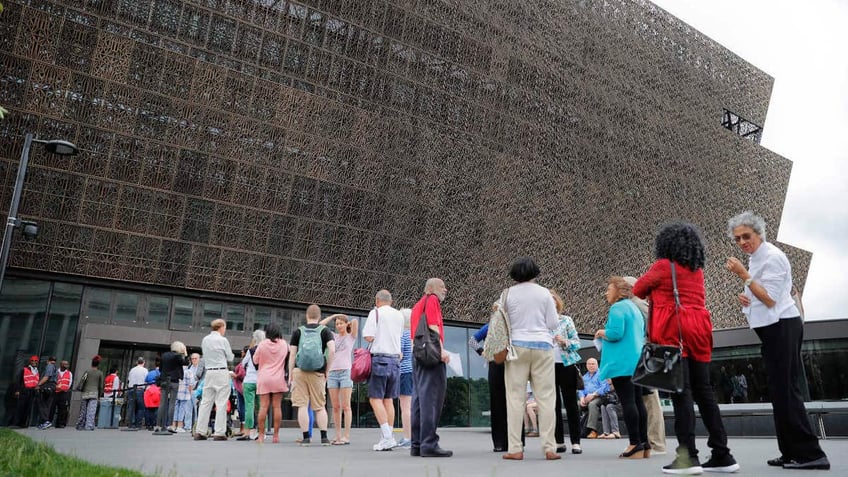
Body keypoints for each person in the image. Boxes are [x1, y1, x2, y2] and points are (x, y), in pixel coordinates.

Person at [725, 211, 830, 470]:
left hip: (783, 327)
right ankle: (791, 451)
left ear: (759, 233)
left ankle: (811, 454)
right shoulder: (755, 259)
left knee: (787, 391)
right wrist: (747, 296)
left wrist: (743, 276)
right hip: (772, 329)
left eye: (746, 236)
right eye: (737, 238)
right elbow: (764, 294)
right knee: (779, 393)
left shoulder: (772, 257)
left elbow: (771, 299)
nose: (741, 242)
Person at [634, 222, 738, 474]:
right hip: (700, 330)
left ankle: (687, 457)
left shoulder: (662, 266)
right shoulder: (696, 269)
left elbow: (638, 289)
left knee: (682, 393)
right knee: (704, 392)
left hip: (674, 332)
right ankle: (722, 454)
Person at [501, 257, 560, 462]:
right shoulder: (544, 293)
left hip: (516, 346)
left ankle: (515, 448)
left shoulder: (507, 294)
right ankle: (549, 447)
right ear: (535, 272)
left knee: (515, 398)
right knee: (546, 398)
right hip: (543, 345)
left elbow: (501, 322)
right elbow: (553, 322)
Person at [595, 276, 647, 459]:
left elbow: (616, 333)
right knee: (638, 401)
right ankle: (644, 443)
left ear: (617, 291)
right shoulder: (634, 308)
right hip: (637, 361)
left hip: (622, 363)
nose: (606, 293)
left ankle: (634, 444)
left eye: (609, 289)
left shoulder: (617, 308)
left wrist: (602, 332)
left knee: (628, 402)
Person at [623, 275, 668, 456]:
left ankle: (656, 444)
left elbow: (652, 329)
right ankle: (650, 443)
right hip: (643, 355)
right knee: (646, 400)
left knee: (650, 400)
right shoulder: (634, 304)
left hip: (644, 355)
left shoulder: (636, 304)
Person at [410, 278, 453, 458]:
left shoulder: (417, 305)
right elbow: (433, 327)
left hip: (418, 354)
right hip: (431, 355)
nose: (445, 290)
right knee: (432, 400)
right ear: (431, 288)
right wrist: (441, 351)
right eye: (442, 286)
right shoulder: (432, 300)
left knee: (419, 400)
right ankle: (429, 443)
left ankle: (417, 444)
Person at [362, 289, 404, 451]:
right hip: (395, 360)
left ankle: (387, 436)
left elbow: (368, 336)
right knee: (389, 400)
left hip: (380, 359)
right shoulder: (399, 315)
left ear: (377, 300)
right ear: (391, 301)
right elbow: (399, 337)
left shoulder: (376, 312)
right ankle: (387, 436)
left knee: (375, 398)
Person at [288, 304, 335, 447]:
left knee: (302, 406)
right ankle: (324, 438)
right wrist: (328, 369)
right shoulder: (325, 331)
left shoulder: (298, 331)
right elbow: (332, 350)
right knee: (320, 406)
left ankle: (306, 438)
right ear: (319, 317)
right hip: (318, 371)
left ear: (306, 316)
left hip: (300, 371)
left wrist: (290, 372)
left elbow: (292, 354)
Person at [551, 289, 583, 454]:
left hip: (566, 365)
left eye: (553, 299)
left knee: (571, 404)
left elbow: (577, 343)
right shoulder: (541, 323)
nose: (550, 302)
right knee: (553, 405)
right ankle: (558, 441)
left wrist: (565, 342)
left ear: (557, 302)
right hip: (547, 366)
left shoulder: (566, 320)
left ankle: (576, 442)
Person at [319, 312, 357, 445]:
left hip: (345, 372)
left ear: (346, 324)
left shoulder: (350, 337)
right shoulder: (333, 337)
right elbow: (320, 325)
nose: (338, 325)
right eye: (337, 324)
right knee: (335, 406)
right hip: (333, 373)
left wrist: (346, 320)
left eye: (341, 323)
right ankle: (337, 435)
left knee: (346, 406)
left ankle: (346, 435)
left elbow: (355, 322)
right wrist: (333, 315)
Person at [471, 322, 509, 452]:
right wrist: (483, 352)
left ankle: (515, 441)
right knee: (497, 403)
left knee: (513, 402)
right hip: (496, 363)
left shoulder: (513, 325)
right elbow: (472, 341)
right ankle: (499, 442)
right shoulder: (489, 326)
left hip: (512, 364)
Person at [194, 319, 234, 441]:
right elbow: (230, 357)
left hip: (209, 372)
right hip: (221, 371)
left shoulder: (205, 340)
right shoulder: (223, 340)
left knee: (206, 402)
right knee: (221, 402)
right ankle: (219, 432)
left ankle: (200, 431)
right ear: (221, 327)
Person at [253, 322, 290, 444]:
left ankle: (261, 436)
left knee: (263, 407)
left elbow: (255, 360)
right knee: (277, 407)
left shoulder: (262, 344)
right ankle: (276, 436)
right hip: (278, 379)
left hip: (264, 378)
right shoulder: (284, 344)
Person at [156, 341, 188, 435]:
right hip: (174, 381)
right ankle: (170, 425)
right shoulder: (177, 356)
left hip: (164, 380)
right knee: (172, 404)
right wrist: (185, 353)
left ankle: (158, 425)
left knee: (162, 403)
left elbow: (161, 369)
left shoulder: (164, 355)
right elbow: (185, 363)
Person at [239, 330, 265, 441]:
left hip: (249, 380)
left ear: (254, 339)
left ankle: (248, 431)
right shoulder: (266, 350)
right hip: (261, 381)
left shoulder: (251, 351)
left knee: (249, 406)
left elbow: (243, 363)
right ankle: (261, 432)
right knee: (261, 407)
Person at [577, 357, 609, 439]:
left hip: (600, 397)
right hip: (586, 398)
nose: (591, 366)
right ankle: (577, 429)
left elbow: (605, 387)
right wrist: (582, 398)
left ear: (597, 365)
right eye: (589, 364)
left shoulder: (601, 374)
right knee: (576, 404)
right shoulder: (585, 377)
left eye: (593, 364)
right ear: (586, 365)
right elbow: (581, 389)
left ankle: (592, 431)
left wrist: (593, 394)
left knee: (592, 404)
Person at [398, 308, 414, 448]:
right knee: (413, 406)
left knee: (405, 407)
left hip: (404, 372)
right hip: (415, 371)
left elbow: (400, 355)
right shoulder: (414, 335)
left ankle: (407, 438)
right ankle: (413, 436)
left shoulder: (402, 334)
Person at [76, 355, 104, 431]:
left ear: (92, 363)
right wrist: (100, 394)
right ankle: (89, 426)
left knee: (83, 410)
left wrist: (79, 388)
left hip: (85, 392)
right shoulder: (100, 373)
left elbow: (82, 380)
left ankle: (80, 424)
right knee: (91, 411)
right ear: (98, 364)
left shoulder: (87, 371)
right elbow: (101, 386)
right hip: (94, 393)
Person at [173, 353, 198, 433]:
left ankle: (194, 426)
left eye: (195, 358)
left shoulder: (200, 368)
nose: (194, 360)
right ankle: (187, 426)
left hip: (193, 391)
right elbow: (191, 383)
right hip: (188, 392)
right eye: (192, 358)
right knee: (187, 409)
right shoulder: (189, 370)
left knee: (195, 409)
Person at [14, 355, 41, 428]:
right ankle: (17, 423)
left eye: (35, 361)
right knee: (20, 407)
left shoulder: (37, 371)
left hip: (32, 391)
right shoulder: (24, 369)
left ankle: (23, 423)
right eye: (32, 361)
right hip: (24, 390)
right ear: (30, 361)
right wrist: (17, 390)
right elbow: (18, 380)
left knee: (28, 408)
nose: (34, 362)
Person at [36, 356, 58, 429]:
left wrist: (38, 384)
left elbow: (46, 377)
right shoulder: (55, 367)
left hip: (47, 385)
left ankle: (45, 421)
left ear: (48, 361)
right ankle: (46, 421)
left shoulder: (49, 366)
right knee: (47, 404)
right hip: (52, 387)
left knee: (42, 404)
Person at [126, 357, 148, 430]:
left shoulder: (132, 370)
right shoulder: (145, 370)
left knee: (131, 407)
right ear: (143, 362)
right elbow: (146, 381)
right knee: (140, 408)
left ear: (137, 362)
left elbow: (129, 380)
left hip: (131, 389)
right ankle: (138, 424)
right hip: (140, 389)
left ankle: (130, 423)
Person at [52, 360, 73, 428]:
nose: (66, 366)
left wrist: (65, 388)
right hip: (55, 392)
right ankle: (49, 422)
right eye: (65, 364)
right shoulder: (56, 372)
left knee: (62, 409)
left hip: (64, 393)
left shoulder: (69, 373)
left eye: (67, 364)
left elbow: (69, 383)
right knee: (52, 407)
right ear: (61, 365)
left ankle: (59, 423)